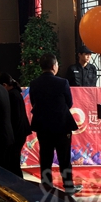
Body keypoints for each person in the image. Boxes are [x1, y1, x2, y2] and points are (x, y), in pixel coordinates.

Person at [29, 53, 81, 194]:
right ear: (54, 66)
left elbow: (33, 102)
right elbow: (69, 103)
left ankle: (46, 186)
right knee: (64, 157)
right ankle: (68, 186)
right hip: (61, 124)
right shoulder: (62, 82)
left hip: (43, 125)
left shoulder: (34, 83)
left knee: (45, 157)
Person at [0, 72, 31, 178]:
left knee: (13, 162)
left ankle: (18, 183)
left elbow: (14, 118)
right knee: (13, 161)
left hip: (16, 133)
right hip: (19, 132)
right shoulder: (15, 93)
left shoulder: (12, 95)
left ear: (4, 85)